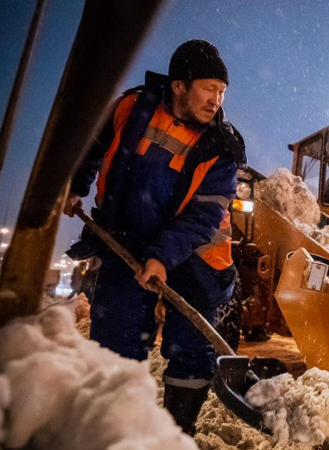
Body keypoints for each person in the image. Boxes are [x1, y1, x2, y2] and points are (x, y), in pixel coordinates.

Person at [63, 40, 245, 435]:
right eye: (209, 88)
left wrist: (162, 255)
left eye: (222, 92)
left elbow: (203, 217)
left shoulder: (222, 149)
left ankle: (177, 434)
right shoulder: (131, 108)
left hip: (195, 255)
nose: (217, 100)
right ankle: (121, 432)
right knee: (117, 340)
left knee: (192, 349)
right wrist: (74, 184)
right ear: (179, 85)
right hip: (125, 240)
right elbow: (91, 147)